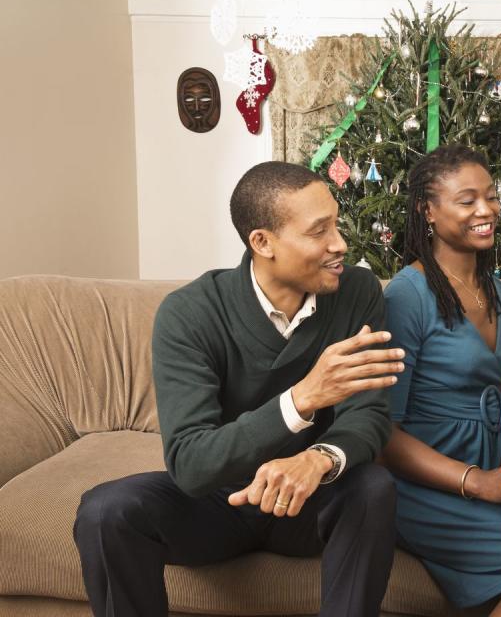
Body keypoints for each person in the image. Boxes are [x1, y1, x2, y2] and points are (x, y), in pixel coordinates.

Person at [73, 162, 405, 617]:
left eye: (337, 224)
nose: (340, 244)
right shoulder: (189, 314)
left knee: (372, 487)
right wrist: (301, 399)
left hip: (308, 495)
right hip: (215, 502)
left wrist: (318, 458)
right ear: (262, 242)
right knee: (104, 511)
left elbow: (368, 414)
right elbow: (190, 464)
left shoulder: (357, 292)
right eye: (318, 231)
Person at [380, 145, 501, 616]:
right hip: (429, 484)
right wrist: (477, 482)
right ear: (427, 210)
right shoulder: (407, 295)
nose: (486, 210)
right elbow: (383, 432)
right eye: (467, 201)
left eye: (491, 197)